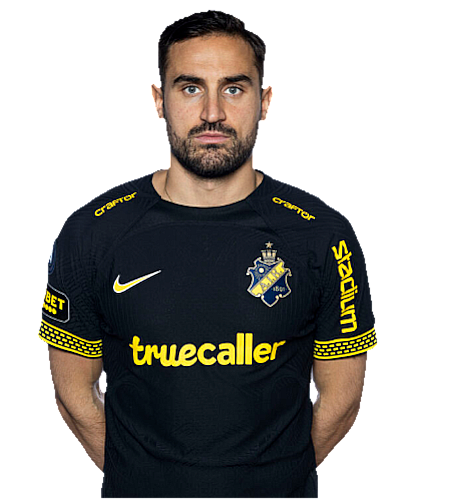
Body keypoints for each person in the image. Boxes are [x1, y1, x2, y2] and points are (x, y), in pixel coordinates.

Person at [38, 10, 377, 499]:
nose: (212, 113)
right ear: (159, 100)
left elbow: (343, 401)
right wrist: (143, 480)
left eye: (234, 88)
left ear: (265, 102)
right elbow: (72, 395)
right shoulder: (90, 233)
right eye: (190, 88)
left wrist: (274, 480)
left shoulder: (323, 235)